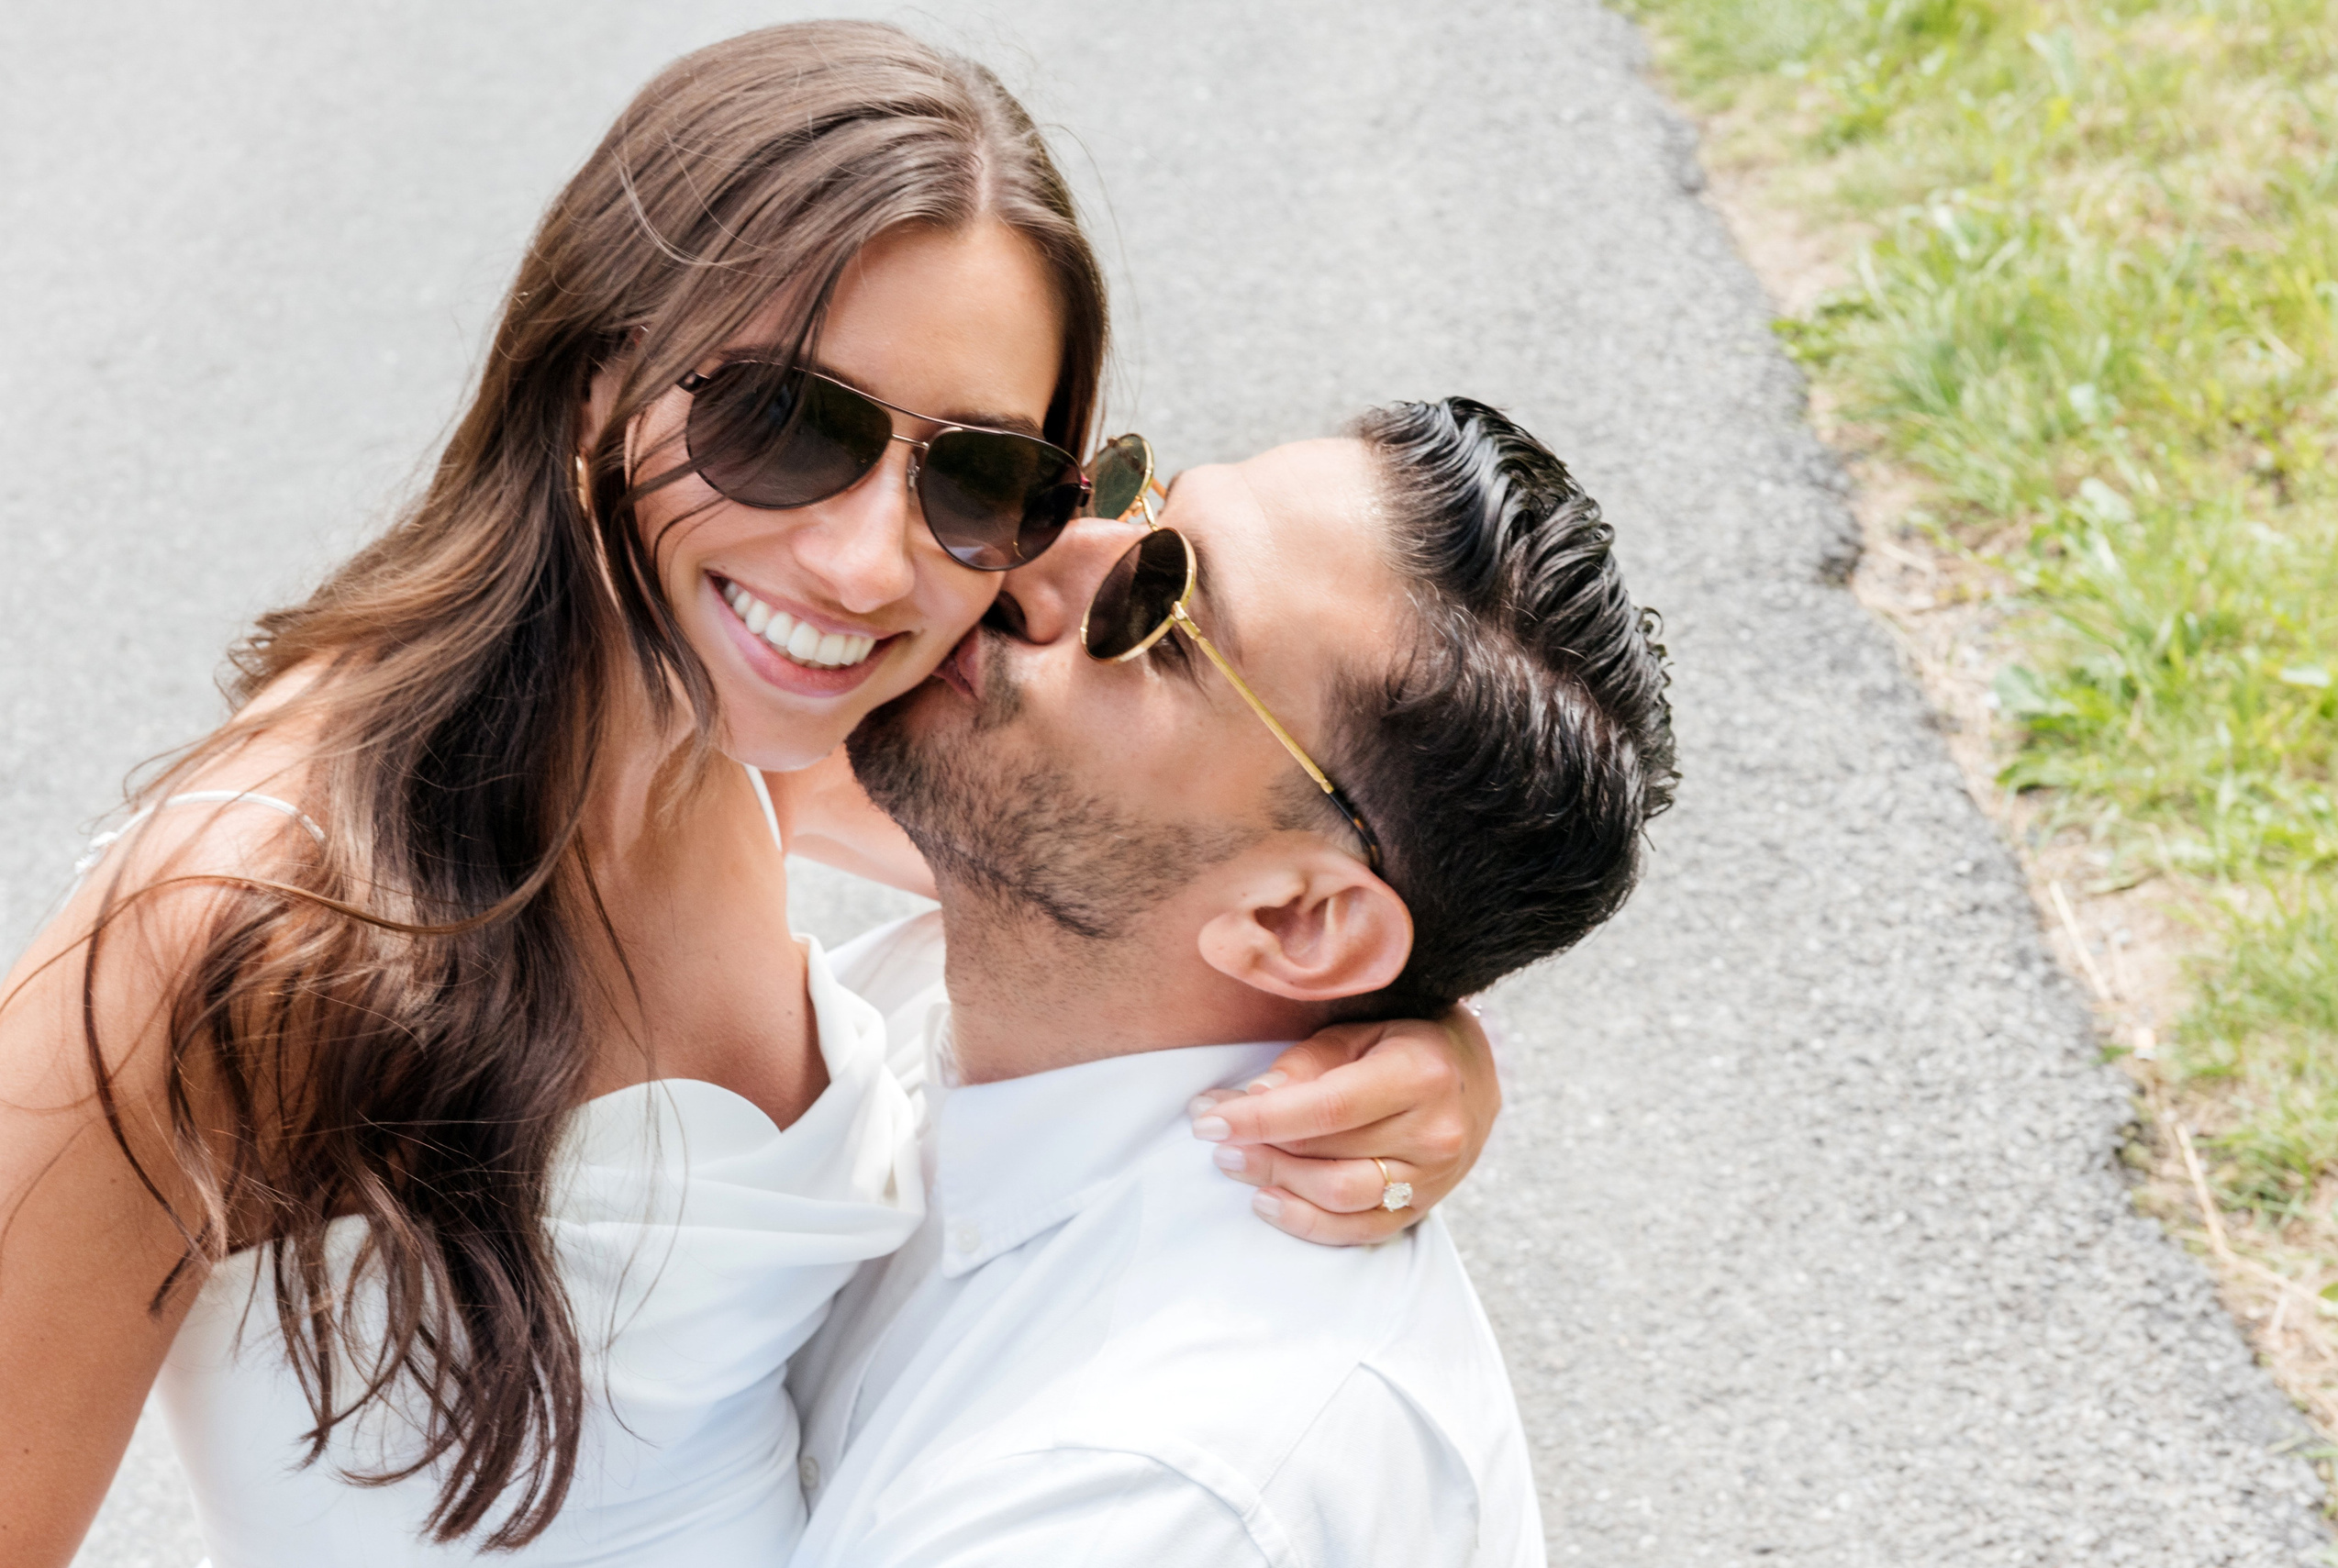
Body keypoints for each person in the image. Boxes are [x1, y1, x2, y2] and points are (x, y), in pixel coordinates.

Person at [0, 25, 1501, 1566]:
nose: (864, 564)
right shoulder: (230, 930)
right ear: (594, 373)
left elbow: (1171, 884)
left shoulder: (768, 733)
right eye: (784, 422)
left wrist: (1417, 1041)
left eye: (976, 479)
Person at [786, 398, 1678, 1565]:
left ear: (1296, 919)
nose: (1037, 550)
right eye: (1135, 502)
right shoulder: (1021, 955)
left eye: (1157, 611)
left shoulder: (1142, 1492)